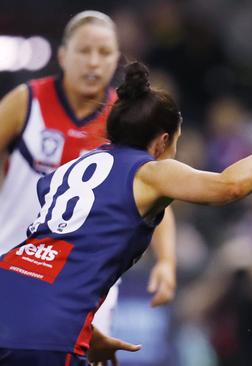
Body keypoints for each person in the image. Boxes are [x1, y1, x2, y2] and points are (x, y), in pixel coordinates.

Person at [0, 61, 252, 365]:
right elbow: (230, 186)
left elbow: (58, 252)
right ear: (163, 142)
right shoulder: (150, 171)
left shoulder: (72, 167)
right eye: (177, 143)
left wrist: (89, 332)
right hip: (51, 329)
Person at [0, 10, 176, 335]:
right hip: (13, 263)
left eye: (105, 52)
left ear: (116, 61)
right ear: (63, 56)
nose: (94, 62)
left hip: (87, 283)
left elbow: (158, 188)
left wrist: (166, 262)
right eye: (84, 51)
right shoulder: (27, 101)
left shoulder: (128, 121)